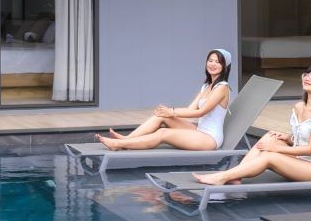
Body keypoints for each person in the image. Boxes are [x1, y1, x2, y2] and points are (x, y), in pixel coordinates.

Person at [193, 65, 311, 185]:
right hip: (298, 161)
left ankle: (223, 177)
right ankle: (236, 175)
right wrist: (287, 138)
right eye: (307, 74)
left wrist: (276, 149)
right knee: (270, 136)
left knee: (270, 156)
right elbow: (302, 137)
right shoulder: (299, 106)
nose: (307, 77)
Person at [95, 49, 234, 152]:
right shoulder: (206, 86)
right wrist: (167, 112)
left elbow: (200, 112)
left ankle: (118, 145)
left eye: (217, 62)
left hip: (210, 139)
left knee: (163, 133)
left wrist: (172, 112)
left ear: (225, 67)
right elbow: (191, 109)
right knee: (160, 116)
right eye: (210, 60)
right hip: (199, 130)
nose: (212, 64)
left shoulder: (222, 88)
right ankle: (127, 139)